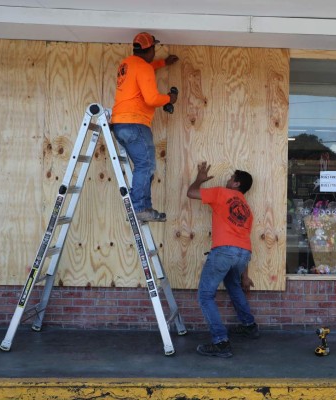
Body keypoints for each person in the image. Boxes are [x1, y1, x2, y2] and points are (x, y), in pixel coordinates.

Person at [187, 161, 259, 358]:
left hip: (224, 251)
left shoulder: (221, 193)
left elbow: (191, 193)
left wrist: (198, 180)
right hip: (244, 254)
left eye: (231, 178)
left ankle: (221, 342)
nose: (227, 180)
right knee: (234, 285)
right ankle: (249, 325)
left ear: (236, 184)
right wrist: (245, 275)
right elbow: (244, 242)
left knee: (205, 295)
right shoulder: (246, 208)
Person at [111, 32, 179, 222]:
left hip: (120, 124)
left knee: (142, 166)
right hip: (136, 124)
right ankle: (140, 207)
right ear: (150, 49)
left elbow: (144, 69)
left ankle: (138, 205)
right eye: (154, 49)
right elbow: (151, 99)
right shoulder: (143, 68)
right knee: (145, 165)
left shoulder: (126, 64)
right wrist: (169, 98)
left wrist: (163, 63)